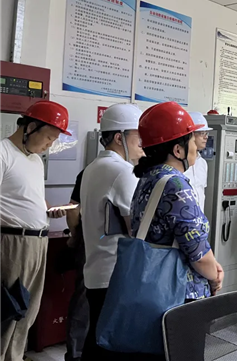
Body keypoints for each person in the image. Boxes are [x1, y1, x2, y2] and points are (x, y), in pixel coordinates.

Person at [131, 101, 223, 302]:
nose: (195, 147)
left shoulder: (149, 177)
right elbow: (198, 254)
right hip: (179, 293)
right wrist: (214, 276)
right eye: (191, 140)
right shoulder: (176, 185)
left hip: (154, 286)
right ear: (178, 150)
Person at [1, 100, 71, 361]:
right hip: (13, 242)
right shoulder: (3, 153)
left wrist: (46, 209)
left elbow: (27, 197)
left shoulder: (34, 160)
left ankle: (15, 356)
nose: (50, 145)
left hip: (38, 242)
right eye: (49, 137)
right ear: (30, 127)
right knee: (10, 308)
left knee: (28, 311)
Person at [80, 103, 144, 361]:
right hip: (115, 274)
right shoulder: (122, 171)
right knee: (113, 346)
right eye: (138, 137)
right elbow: (136, 228)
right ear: (119, 137)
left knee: (97, 340)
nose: (143, 144)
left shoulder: (93, 167)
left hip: (97, 269)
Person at [64, 169, 89, 361]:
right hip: (98, 246)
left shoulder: (88, 171)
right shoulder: (126, 172)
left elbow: (73, 209)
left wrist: (74, 237)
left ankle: (76, 353)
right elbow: (73, 208)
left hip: (88, 243)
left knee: (84, 299)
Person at [184, 112, 212, 212]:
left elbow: (201, 193)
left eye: (206, 133)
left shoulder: (202, 163)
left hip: (198, 218)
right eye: (202, 133)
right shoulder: (178, 164)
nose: (206, 137)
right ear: (190, 135)